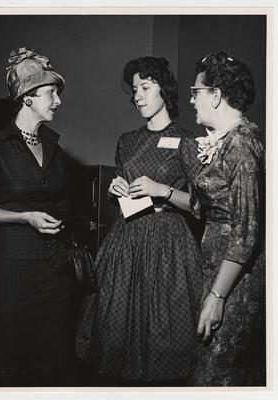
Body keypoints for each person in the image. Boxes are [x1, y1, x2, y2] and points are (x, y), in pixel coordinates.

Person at [76, 56, 203, 385]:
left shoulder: (188, 141)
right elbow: (124, 193)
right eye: (135, 90)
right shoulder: (127, 140)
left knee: (163, 335)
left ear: (165, 90)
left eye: (146, 87)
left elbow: (201, 205)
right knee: (116, 331)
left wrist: (163, 190)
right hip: (127, 240)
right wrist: (115, 188)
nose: (139, 96)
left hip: (168, 245)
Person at [0, 47, 77, 386]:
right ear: (28, 98)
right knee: (10, 358)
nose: (58, 101)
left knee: (51, 358)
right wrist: (25, 217)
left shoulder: (55, 149)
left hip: (52, 270)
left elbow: (63, 203)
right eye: (51, 93)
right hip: (10, 271)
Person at [162, 51, 266, 386]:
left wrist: (218, 296)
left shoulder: (242, 147)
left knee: (221, 374)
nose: (191, 101)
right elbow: (204, 207)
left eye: (196, 92)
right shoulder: (225, 144)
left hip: (236, 282)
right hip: (217, 269)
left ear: (217, 95)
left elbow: (248, 233)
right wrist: (162, 192)